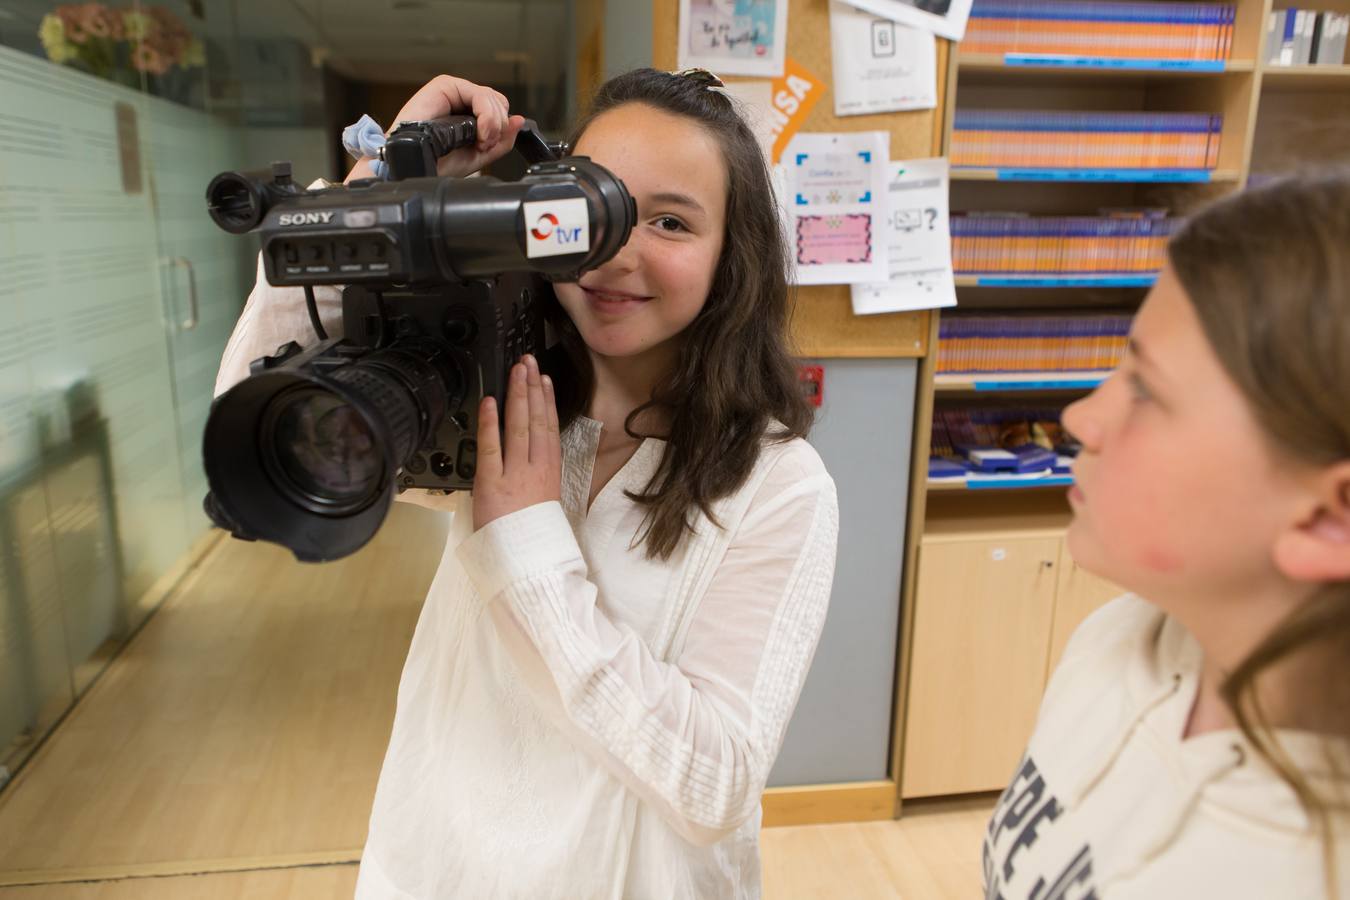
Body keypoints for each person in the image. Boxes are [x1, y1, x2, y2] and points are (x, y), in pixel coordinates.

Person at [214, 69, 839, 899]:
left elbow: (714, 784)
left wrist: (528, 544)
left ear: (734, 254)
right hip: (432, 870)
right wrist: (382, 184)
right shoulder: (489, 393)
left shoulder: (777, 485)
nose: (616, 252)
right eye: (591, 205)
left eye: (672, 221)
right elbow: (257, 427)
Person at [982, 171, 1350, 899]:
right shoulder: (1121, 634)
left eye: (1147, 389)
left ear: (1326, 517)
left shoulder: (1292, 872)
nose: (1081, 418)